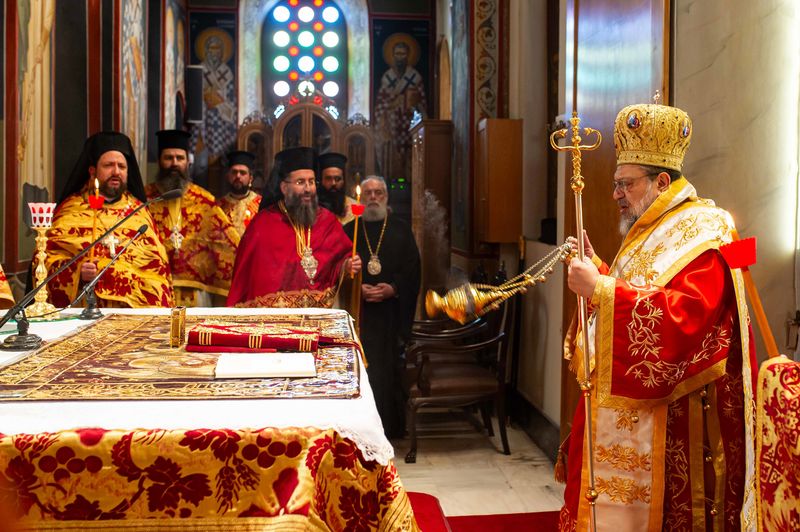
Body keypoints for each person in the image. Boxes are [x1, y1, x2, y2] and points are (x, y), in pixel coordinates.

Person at [561, 103, 757, 530]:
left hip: (685, 414)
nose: (616, 194)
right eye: (616, 184)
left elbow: (686, 317)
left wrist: (601, 289)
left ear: (662, 182)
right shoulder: (652, 225)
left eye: (625, 184)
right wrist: (603, 272)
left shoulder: (705, 230)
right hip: (653, 414)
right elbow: (644, 288)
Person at [45, 131, 173, 308]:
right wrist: (77, 271)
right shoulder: (70, 211)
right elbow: (45, 261)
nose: (116, 172)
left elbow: (158, 269)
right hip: (84, 312)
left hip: (132, 316)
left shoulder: (140, 213)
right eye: (108, 165)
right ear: (92, 171)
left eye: (122, 166)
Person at [227, 147, 361, 308]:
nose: (308, 189)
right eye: (300, 182)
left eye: (311, 182)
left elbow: (341, 259)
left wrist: (346, 266)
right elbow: (250, 281)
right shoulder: (263, 224)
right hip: (276, 319)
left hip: (318, 317)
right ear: (284, 188)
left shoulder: (328, 221)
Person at [343, 176, 420, 437]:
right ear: (361, 198)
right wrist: (357, 288)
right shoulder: (350, 231)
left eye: (378, 193)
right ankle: (360, 430)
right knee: (363, 372)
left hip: (391, 315)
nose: (373, 197)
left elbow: (413, 270)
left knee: (389, 371)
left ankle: (390, 428)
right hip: (360, 316)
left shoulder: (401, 230)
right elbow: (337, 272)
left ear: (386, 197)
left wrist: (394, 288)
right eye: (368, 193)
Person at [145, 129, 240, 307]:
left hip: (196, 292)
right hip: (153, 288)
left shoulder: (205, 201)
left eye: (180, 158)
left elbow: (229, 245)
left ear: (188, 162)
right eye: (168, 158)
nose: (174, 163)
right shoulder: (145, 199)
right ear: (159, 161)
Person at [375, 40, 427, 179]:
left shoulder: (415, 77)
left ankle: (411, 179)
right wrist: (392, 105)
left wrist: (412, 103)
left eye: (403, 54)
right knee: (392, 154)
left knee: (409, 155)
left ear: (408, 56)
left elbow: (421, 103)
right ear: (392, 56)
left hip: (410, 124)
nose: (400, 57)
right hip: (391, 124)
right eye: (397, 54)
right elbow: (380, 104)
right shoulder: (387, 77)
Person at [216, 150, 262, 237]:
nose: (238, 176)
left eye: (243, 173)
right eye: (234, 172)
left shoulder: (261, 205)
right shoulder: (218, 206)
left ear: (250, 178)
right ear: (228, 176)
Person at [316, 152, 357, 225]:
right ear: (321, 180)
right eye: (328, 179)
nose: (333, 183)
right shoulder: (312, 207)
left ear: (343, 181)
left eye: (338, 179)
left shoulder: (355, 207)